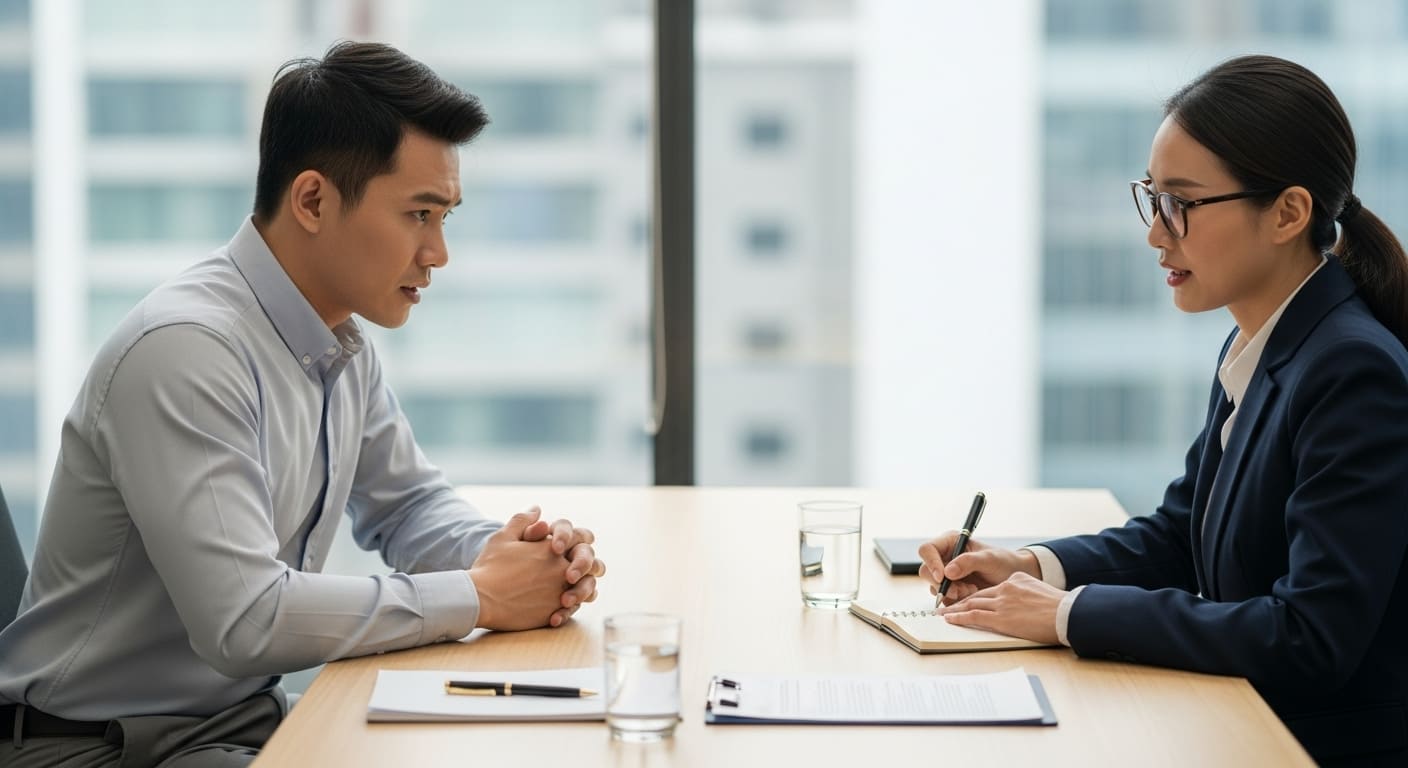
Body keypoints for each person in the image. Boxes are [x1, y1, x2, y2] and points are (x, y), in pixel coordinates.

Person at [0, 41, 606, 767]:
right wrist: (479, 596)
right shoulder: (186, 351)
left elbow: (406, 506)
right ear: (313, 199)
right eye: (419, 214)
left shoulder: (337, 343)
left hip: (232, 721)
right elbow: (248, 620)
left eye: (446, 217)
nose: (438, 252)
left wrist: (518, 560)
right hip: (97, 748)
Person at [919, 55, 1408, 766]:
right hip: (1232, 729)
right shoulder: (1263, 340)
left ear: (1288, 213)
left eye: (1182, 203)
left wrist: (1064, 615)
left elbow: (1309, 636)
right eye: (1152, 198)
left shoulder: (1351, 370)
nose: (1156, 232)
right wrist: (1030, 566)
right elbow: (1183, 538)